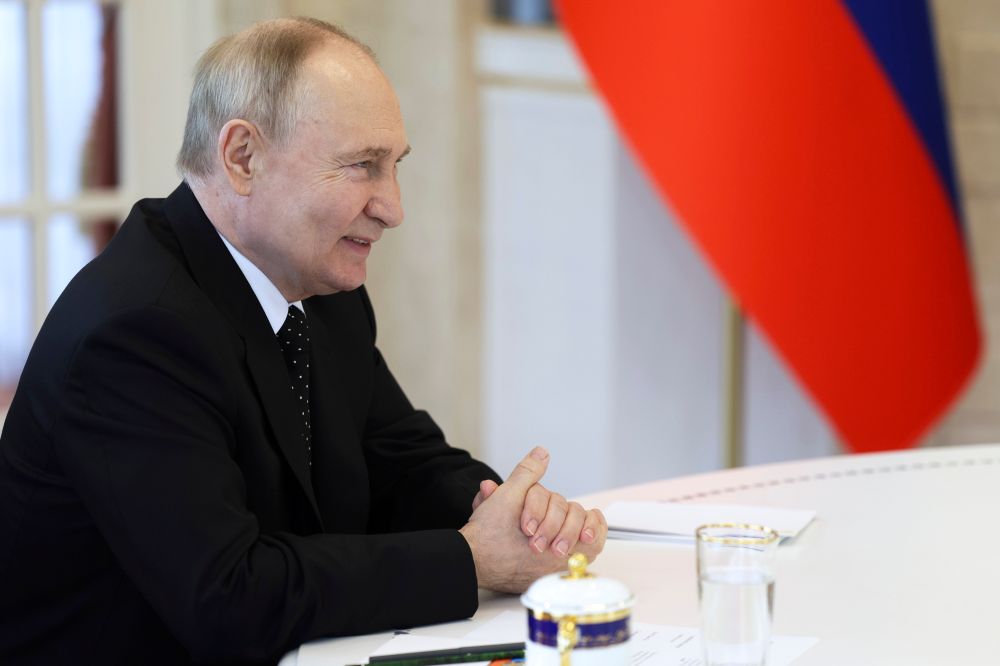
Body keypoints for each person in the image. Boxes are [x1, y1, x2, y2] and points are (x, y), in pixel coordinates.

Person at [0, 17, 606, 665]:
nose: (393, 206)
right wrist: (473, 559)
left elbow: (401, 462)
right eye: (361, 167)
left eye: (394, 166)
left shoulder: (316, 285)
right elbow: (230, 596)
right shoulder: (133, 332)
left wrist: (514, 516)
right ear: (242, 157)